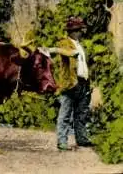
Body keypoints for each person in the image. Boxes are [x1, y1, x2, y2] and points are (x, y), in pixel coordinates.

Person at [48, 16, 95, 151]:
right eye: (79, 29)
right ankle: (62, 142)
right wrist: (71, 53)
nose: (81, 32)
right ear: (73, 31)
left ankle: (82, 139)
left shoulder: (80, 45)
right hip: (70, 83)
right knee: (65, 113)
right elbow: (61, 51)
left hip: (83, 82)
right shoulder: (65, 43)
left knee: (81, 113)